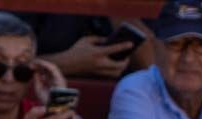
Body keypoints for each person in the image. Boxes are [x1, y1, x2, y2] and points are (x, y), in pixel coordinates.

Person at [17, 11, 152, 81]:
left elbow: (160, 72)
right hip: (35, 110)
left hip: (116, 110)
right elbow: (0, 64)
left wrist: (118, 10)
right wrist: (65, 63)